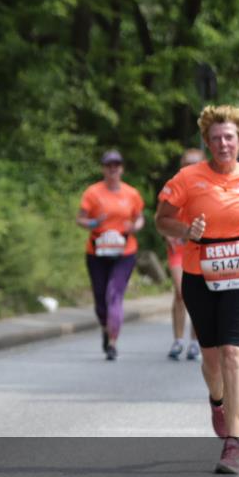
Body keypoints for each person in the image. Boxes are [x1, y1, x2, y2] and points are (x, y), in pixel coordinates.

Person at [155, 105, 239, 474]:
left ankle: (234, 444)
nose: (223, 143)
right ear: (208, 143)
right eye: (216, 138)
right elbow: (162, 219)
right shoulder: (187, 178)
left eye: (229, 137)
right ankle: (217, 401)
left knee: (232, 353)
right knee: (211, 361)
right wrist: (185, 231)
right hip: (201, 275)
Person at [76, 150, 145, 360]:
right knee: (100, 299)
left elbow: (140, 218)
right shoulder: (93, 193)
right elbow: (81, 219)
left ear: (122, 168)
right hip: (97, 251)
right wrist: (94, 223)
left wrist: (135, 227)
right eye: (109, 165)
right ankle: (106, 329)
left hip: (124, 251)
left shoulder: (131, 193)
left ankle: (113, 341)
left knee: (114, 294)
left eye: (116, 165)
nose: (113, 169)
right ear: (103, 169)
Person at [165, 148, 205, 361]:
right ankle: (178, 340)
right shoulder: (173, 187)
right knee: (181, 292)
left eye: (195, 163)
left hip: (200, 248)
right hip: (179, 248)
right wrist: (171, 234)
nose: (190, 167)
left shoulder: (208, 186)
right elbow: (162, 218)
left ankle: (195, 342)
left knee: (198, 294)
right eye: (186, 163)